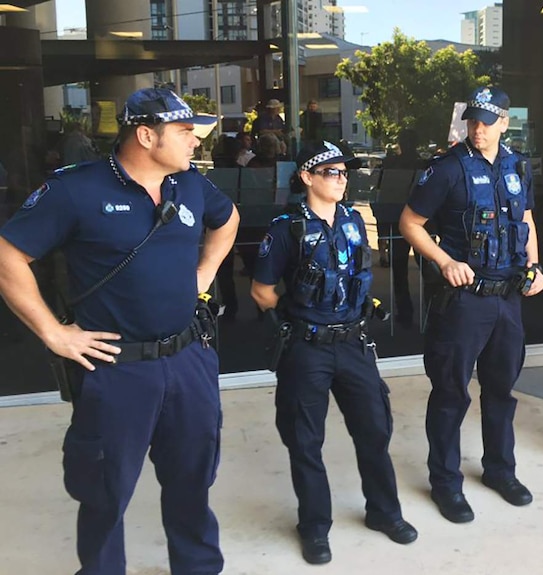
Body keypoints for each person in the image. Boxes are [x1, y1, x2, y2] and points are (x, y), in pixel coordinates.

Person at [0, 87, 239, 574]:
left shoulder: (189, 184)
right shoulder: (75, 189)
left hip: (188, 357)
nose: (195, 142)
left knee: (193, 478)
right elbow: (9, 256)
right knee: (106, 491)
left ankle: (197, 567)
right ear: (146, 134)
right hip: (116, 369)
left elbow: (228, 219)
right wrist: (53, 332)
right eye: (185, 132)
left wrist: (204, 274)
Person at [250, 140, 417, 565]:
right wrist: (298, 319)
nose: (341, 180)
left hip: (353, 343)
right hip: (308, 348)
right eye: (331, 172)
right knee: (306, 441)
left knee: (374, 431)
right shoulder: (286, 227)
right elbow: (262, 291)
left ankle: (384, 512)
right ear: (306, 176)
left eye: (344, 173)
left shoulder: (353, 220)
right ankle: (315, 527)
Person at [399, 86, 543, 523]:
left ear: (505, 122)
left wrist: (534, 267)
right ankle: (445, 482)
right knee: (450, 393)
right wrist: (445, 261)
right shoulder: (446, 169)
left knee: (501, 390)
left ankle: (500, 470)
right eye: (472, 121)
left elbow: (526, 220)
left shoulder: (518, 165)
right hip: (464, 301)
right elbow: (411, 223)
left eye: (487, 121)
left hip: (508, 300)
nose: (478, 129)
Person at [376, 128, 427, 327]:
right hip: (415, 221)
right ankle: (427, 309)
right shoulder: (421, 163)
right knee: (426, 268)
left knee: (401, 269)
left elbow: (380, 186)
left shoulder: (393, 163)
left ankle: (405, 312)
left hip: (401, 220)